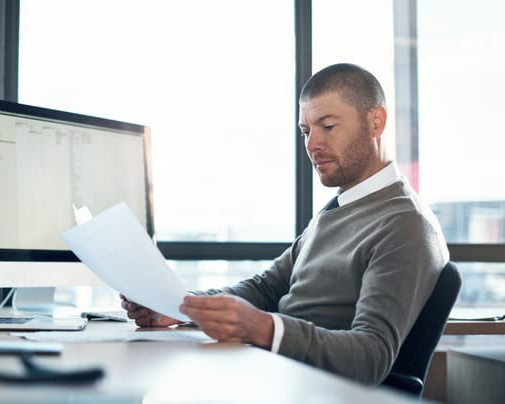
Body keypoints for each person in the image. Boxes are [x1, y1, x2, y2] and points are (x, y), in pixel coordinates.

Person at [121, 63, 449, 385]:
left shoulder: (405, 225)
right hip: (276, 373)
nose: (311, 144)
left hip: (310, 389)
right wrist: (181, 308)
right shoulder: (340, 208)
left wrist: (264, 329)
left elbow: (370, 357)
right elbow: (265, 288)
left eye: (328, 126)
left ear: (376, 121)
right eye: (306, 131)